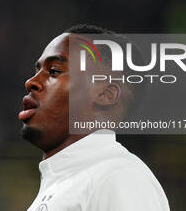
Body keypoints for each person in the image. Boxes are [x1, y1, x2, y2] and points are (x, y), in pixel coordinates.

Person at [18, 24, 170, 211]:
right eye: (37, 71)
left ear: (106, 94)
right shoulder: (72, 182)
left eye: (54, 71)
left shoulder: (119, 177)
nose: (31, 82)